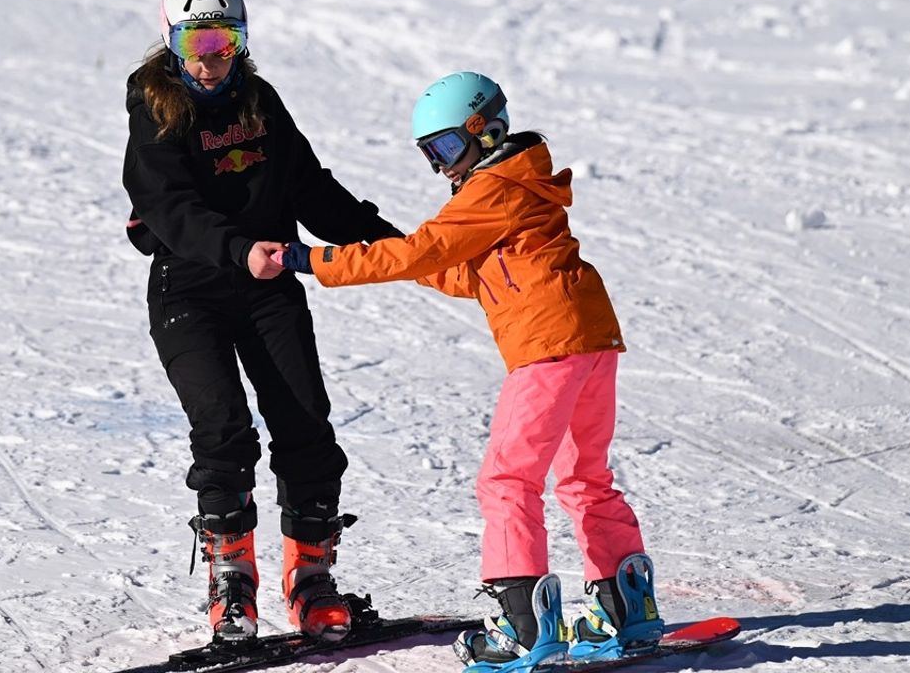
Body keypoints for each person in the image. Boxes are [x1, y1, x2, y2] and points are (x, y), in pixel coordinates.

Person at [273, 72, 665, 670]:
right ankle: (625, 609)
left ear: (487, 130)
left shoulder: (493, 188)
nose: (442, 168)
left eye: (449, 149)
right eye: (432, 155)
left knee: (508, 481)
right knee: (584, 478)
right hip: (589, 338)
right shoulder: (518, 181)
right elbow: (462, 272)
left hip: (548, 345)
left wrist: (314, 258)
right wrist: (398, 258)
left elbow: (426, 250)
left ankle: (522, 624)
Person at [121, 0, 403, 643]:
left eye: (224, 40)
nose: (211, 57)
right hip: (189, 287)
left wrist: (397, 245)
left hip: (268, 286)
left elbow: (309, 187)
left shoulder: (259, 101)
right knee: (222, 432)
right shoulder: (155, 108)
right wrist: (239, 246)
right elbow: (168, 209)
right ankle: (232, 589)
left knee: (305, 423)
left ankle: (310, 582)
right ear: (172, 42)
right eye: (197, 41)